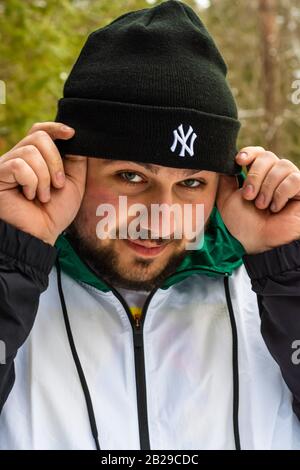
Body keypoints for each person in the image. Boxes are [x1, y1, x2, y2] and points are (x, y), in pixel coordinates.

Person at [0, 0, 300, 450]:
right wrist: (11, 256)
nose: (162, 215)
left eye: (192, 182)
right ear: (68, 168)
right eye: (132, 177)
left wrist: (288, 269)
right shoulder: (17, 293)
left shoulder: (269, 299)